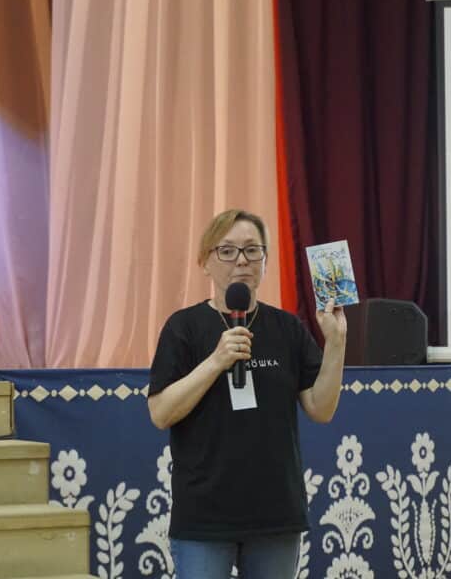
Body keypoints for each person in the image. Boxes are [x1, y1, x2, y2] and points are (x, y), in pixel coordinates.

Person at [147, 209, 347, 579]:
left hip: (275, 514)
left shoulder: (288, 328)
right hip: (205, 517)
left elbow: (321, 409)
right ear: (205, 262)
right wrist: (216, 361)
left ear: (265, 261)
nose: (241, 260)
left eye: (253, 250)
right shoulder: (183, 328)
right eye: (227, 251)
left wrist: (336, 342)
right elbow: (160, 413)